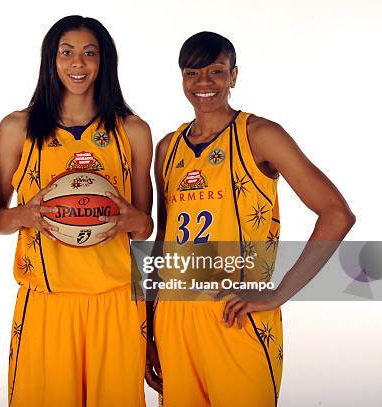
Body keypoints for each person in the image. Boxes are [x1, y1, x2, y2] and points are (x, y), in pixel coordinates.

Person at [146, 31, 355, 407]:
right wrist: (148, 328)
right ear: (182, 79)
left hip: (235, 313)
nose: (204, 83)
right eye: (193, 73)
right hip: (173, 318)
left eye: (216, 71)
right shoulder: (168, 147)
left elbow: (336, 214)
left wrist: (280, 293)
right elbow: (162, 242)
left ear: (234, 75)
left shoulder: (259, 135)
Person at [0, 15, 154, 407]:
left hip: (115, 301)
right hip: (46, 300)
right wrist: (21, 216)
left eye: (88, 53)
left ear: (104, 61)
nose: (77, 64)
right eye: (67, 53)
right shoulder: (19, 127)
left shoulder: (132, 130)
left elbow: (145, 228)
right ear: (51, 59)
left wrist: (132, 220)